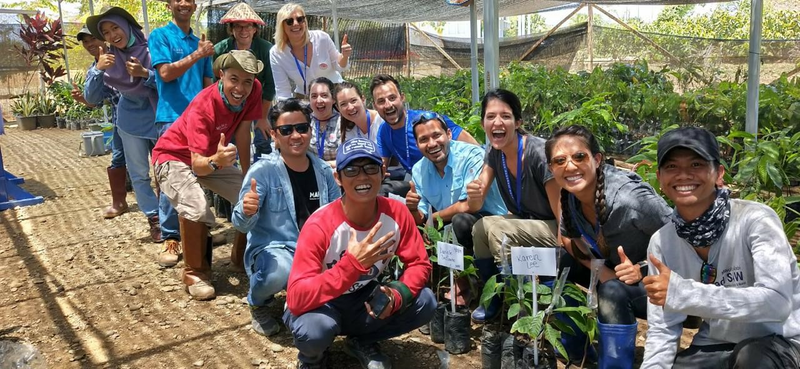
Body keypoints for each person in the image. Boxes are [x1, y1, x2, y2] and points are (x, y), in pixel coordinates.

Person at [641, 127, 800, 369]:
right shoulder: (662, 242)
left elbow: (777, 303)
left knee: (752, 360)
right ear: (660, 179)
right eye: (672, 167)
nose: (683, 175)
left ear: (719, 174)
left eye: (696, 165)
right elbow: (663, 328)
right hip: (716, 343)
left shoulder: (755, 220)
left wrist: (683, 293)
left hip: (782, 340)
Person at [283, 137, 436, 369]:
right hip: (321, 304)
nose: (362, 177)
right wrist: (353, 264)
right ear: (338, 178)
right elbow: (296, 299)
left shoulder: (397, 213)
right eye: (352, 170)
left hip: (361, 299)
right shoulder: (320, 225)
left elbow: (419, 263)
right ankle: (312, 359)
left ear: (383, 172)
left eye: (370, 167)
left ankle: (362, 341)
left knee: (425, 302)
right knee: (315, 331)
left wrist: (397, 294)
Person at [545, 124, 672, 367]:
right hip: (617, 275)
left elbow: (681, 239)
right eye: (559, 161)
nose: (569, 166)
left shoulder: (630, 200)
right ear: (551, 168)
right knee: (556, 259)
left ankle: (614, 363)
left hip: (664, 284)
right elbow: (568, 240)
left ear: (597, 159)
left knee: (611, 292)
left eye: (579, 157)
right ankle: (574, 348)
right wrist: (603, 272)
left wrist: (644, 268)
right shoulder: (571, 195)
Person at [151, 50, 262, 301]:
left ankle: (241, 258)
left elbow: (244, 133)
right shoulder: (204, 105)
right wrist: (216, 161)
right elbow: (198, 165)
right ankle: (195, 273)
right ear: (221, 75)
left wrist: (248, 176)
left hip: (212, 158)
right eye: (234, 79)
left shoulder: (254, 89)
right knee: (197, 207)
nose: (241, 88)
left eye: (247, 81)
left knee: (254, 196)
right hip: (173, 157)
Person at [232, 99, 340, 337]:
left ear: (310, 131)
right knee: (280, 271)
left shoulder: (323, 171)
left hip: (316, 250)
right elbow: (240, 224)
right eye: (286, 130)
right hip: (278, 249)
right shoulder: (263, 172)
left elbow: (337, 217)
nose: (296, 135)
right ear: (274, 135)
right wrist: (247, 210)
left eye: (301, 128)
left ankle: (301, 300)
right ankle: (258, 302)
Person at [465, 88, 560, 322]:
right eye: (490, 116)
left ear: (518, 122)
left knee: (499, 230)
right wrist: (473, 193)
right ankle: (493, 300)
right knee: (480, 228)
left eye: (505, 116)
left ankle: (523, 307)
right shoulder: (494, 150)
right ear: (483, 123)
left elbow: (562, 214)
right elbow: (475, 206)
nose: (497, 122)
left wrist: (565, 253)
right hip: (526, 222)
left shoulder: (538, 152)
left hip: (555, 226)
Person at [406, 111, 507, 305]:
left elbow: (468, 205)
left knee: (458, 223)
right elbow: (422, 219)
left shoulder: (471, 155)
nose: (432, 144)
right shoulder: (419, 170)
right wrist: (411, 209)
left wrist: (433, 218)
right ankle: (449, 285)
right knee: (432, 229)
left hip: (492, 219)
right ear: (417, 145)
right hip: (453, 221)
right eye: (424, 139)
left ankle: (479, 287)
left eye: (437, 135)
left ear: (449, 135)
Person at [148, 0, 216, 268]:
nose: (184, 3)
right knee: (170, 179)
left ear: (195, 4)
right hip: (171, 118)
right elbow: (165, 73)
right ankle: (171, 237)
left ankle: (197, 230)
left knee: (197, 174)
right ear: (169, 4)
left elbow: (208, 83)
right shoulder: (160, 36)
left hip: (198, 122)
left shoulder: (201, 42)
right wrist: (197, 55)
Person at [85, 6, 161, 242]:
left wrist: (145, 73)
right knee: (139, 174)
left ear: (128, 27)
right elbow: (91, 98)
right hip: (129, 121)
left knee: (166, 172)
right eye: (106, 32)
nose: (112, 34)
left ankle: (173, 217)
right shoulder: (107, 60)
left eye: (115, 27)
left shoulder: (152, 50)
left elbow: (170, 83)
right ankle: (155, 219)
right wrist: (98, 70)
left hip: (158, 116)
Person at [370, 74, 478, 196]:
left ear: (402, 97)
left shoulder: (427, 122)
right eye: (381, 101)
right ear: (374, 106)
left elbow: (475, 148)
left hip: (450, 179)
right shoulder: (384, 131)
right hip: (418, 181)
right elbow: (381, 168)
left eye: (392, 98)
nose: (388, 105)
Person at [74, 25, 126, 220]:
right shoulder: (93, 69)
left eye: (92, 39)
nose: (89, 45)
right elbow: (95, 100)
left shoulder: (119, 56)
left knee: (154, 156)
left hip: (142, 115)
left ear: (103, 39)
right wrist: (82, 99)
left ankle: (161, 205)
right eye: (86, 42)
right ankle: (119, 202)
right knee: (118, 158)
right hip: (120, 119)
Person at [214, 2, 276, 161]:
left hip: (259, 100)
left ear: (255, 29)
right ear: (232, 29)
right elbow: (214, 79)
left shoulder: (266, 49)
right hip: (230, 101)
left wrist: (262, 117)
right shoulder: (220, 49)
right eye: (238, 27)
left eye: (248, 26)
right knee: (228, 141)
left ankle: (263, 173)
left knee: (263, 138)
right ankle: (232, 176)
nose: (243, 31)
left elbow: (270, 85)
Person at [270, 3, 351, 100]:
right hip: (305, 99)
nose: (296, 23)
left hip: (335, 94)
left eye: (300, 19)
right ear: (281, 25)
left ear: (305, 21)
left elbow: (340, 66)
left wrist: (345, 56)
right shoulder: (276, 53)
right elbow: (283, 91)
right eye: (289, 21)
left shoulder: (322, 38)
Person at [307, 77, 341, 166]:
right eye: (314, 96)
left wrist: (322, 166)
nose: (319, 100)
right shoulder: (305, 121)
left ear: (333, 99)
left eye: (324, 95)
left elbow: (346, 158)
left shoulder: (342, 122)